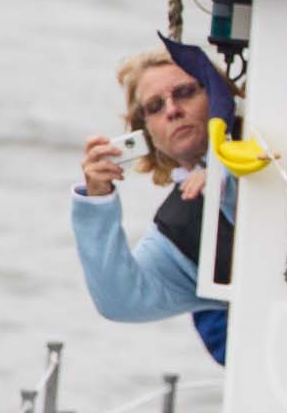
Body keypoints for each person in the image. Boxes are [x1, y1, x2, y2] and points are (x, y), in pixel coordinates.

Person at [71, 48, 234, 362]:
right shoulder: (180, 225)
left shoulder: (278, 138)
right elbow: (120, 300)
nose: (173, 110)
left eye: (185, 93)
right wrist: (97, 201)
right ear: (146, 132)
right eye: (155, 107)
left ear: (216, 95)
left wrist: (223, 173)